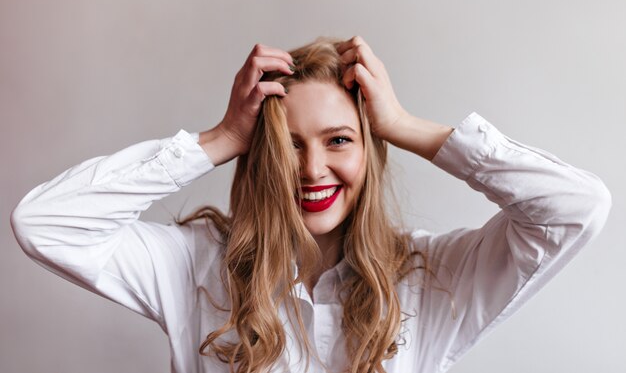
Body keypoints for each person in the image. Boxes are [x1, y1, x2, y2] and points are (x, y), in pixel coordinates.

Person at [10, 36, 611, 373]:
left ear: (370, 151)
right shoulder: (195, 266)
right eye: (287, 145)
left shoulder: (433, 282)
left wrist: (405, 125)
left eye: (339, 140)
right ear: (260, 154)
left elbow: (576, 208)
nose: (312, 168)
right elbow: (44, 224)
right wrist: (220, 139)